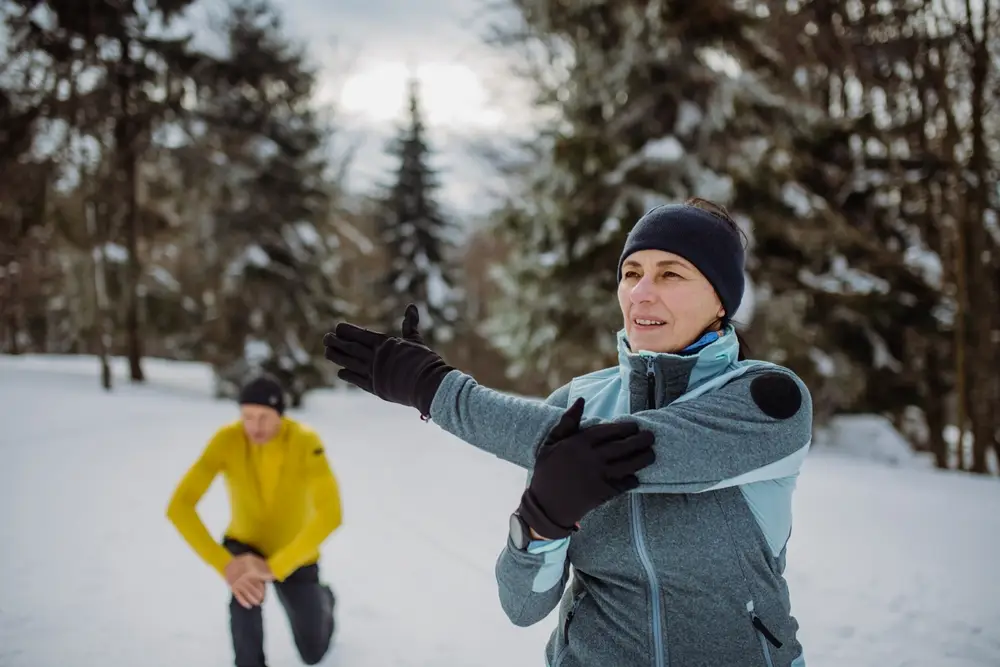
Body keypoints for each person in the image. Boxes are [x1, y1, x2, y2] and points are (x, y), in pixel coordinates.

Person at [323, 197, 813, 667]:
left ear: (721, 301)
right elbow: (523, 607)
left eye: (671, 274)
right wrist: (540, 525)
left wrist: (435, 389)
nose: (641, 292)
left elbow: (618, 449)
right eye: (631, 273)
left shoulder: (768, 400)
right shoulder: (576, 403)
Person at [166, 374, 341, 667]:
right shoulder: (227, 439)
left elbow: (331, 515)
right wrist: (228, 565)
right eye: (247, 417)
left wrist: (274, 567)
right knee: (245, 595)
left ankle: (326, 600)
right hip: (244, 545)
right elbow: (179, 506)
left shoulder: (305, 441)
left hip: (295, 554)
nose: (254, 426)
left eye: (263, 417)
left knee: (314, 652)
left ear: (280, 416)